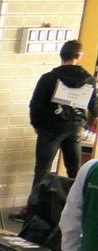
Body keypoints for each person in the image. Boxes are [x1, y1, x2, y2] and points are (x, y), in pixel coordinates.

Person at [21, 40, 98, 221]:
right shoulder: (89, 80)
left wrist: (37, 125)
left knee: (42, 169)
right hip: (75, 129)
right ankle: (76, 210)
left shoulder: (48, 78)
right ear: (78, 56)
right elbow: (94, 107)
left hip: (49, 129)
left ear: (61, 55)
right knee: (74, 170)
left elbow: (35, 105)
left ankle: (33, 209)